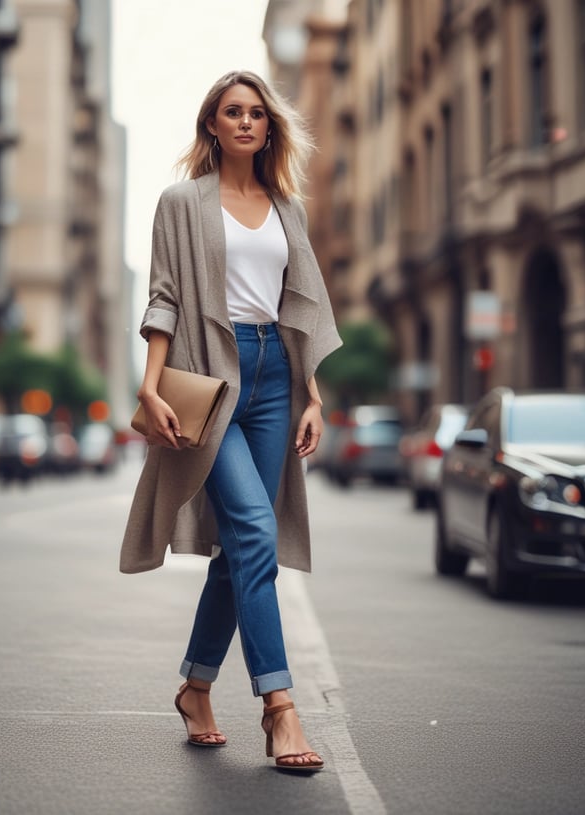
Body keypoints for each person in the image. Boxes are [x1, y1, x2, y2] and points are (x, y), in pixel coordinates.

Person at [120, 70, 341, 772]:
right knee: (252, 529)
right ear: (211, 125)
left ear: (269, 128)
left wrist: (311, 394)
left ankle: (195, 686)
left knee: (243, 547)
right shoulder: (181, 203)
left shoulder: (286, 208)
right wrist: (149, 390)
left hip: (275, 374)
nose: (245, 122)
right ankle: (280, 707)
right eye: (231, 112)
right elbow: (163, 300)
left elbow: (299, 306)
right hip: (208, 379)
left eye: (256, 113)